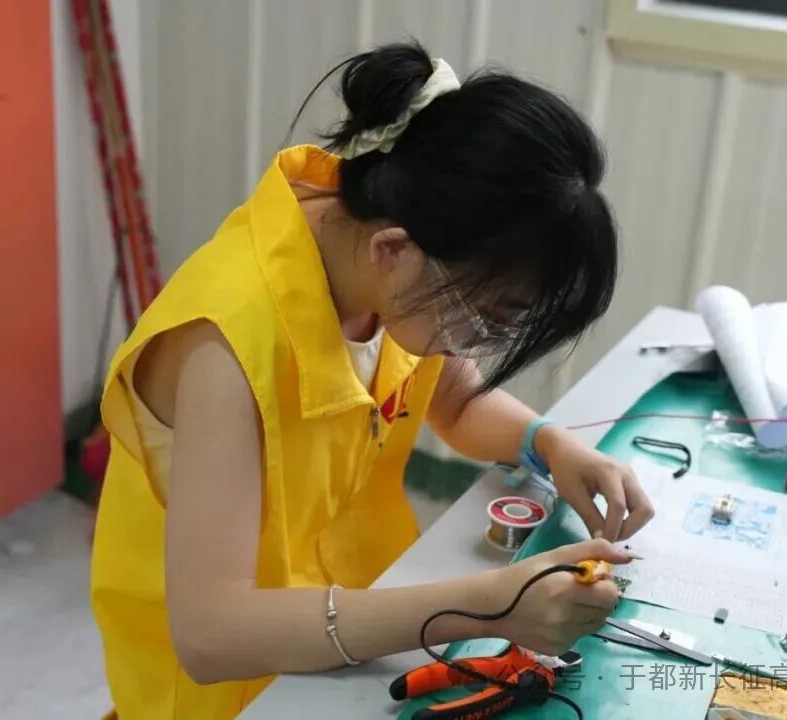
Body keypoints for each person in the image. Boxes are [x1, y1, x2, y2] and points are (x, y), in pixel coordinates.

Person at [91, 40, 653, 718]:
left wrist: (549, 445)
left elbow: (454, 401)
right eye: (487, 319)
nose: (478, 344)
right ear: (394, 251)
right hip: (236, 692)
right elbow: (213, 635)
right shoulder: (225, 348)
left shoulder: (382, 254)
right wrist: (489, 606)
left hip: (354, 625)